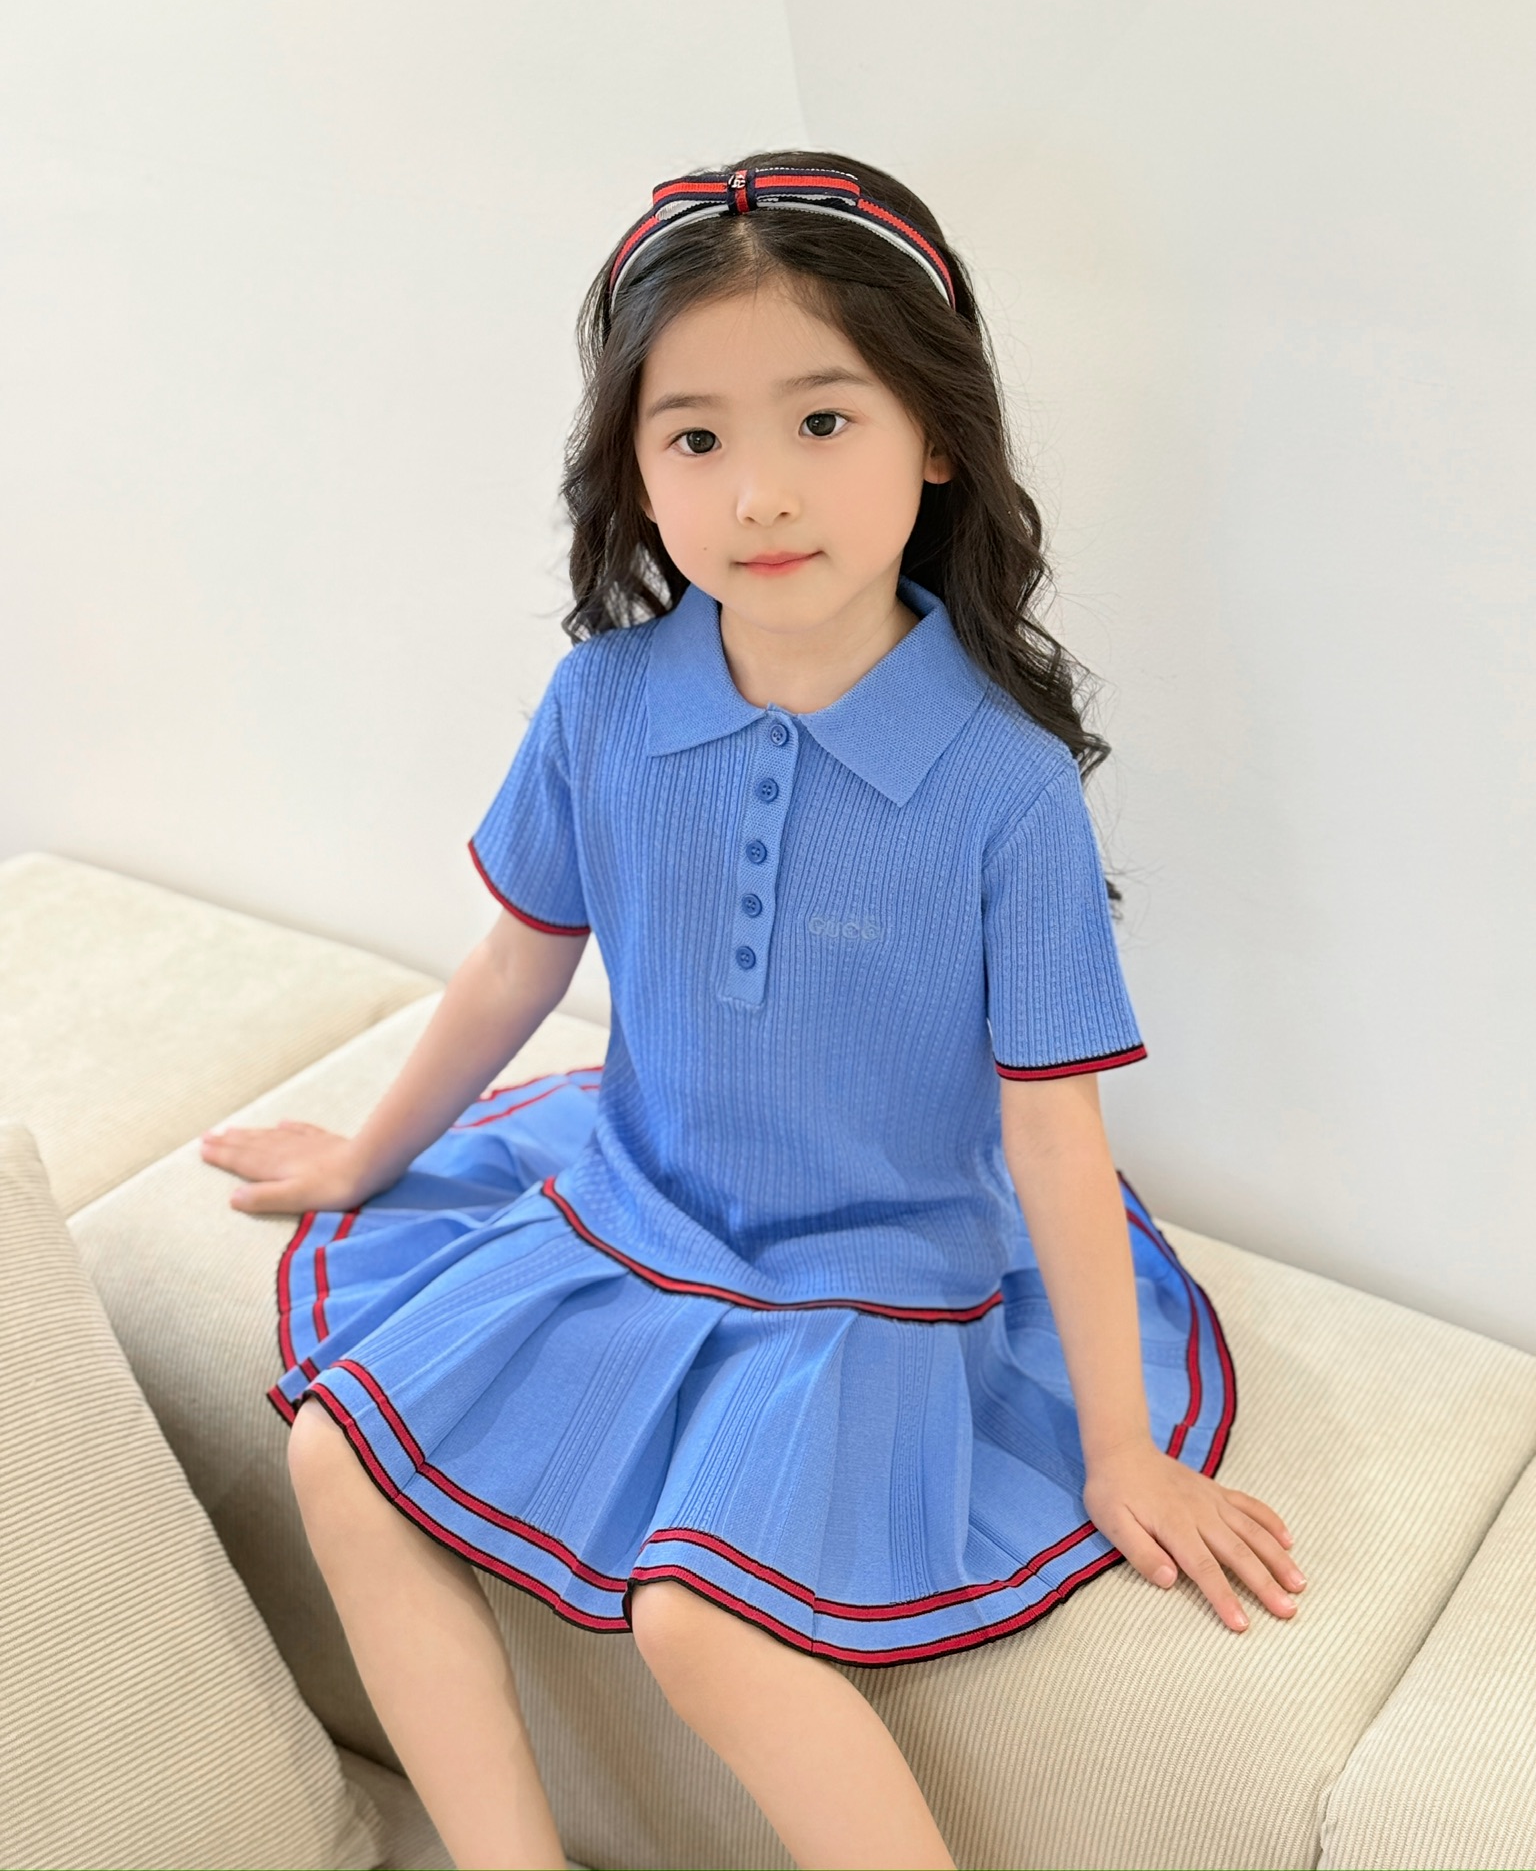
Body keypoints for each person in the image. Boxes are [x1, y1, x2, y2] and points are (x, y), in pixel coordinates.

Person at [203, 154, 1304, 1871]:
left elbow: (1050, 1130)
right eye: (696, 437)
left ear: (935, 438)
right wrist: (363, 1156)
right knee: (344, 1454)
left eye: (823, 421)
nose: (761, 492)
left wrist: (1120, 1451)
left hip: (872, 1281)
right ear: (634, 472)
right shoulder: (600, 704)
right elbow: (514, 967)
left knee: (700, 1621)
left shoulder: (1005, 788)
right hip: (630, 1209)